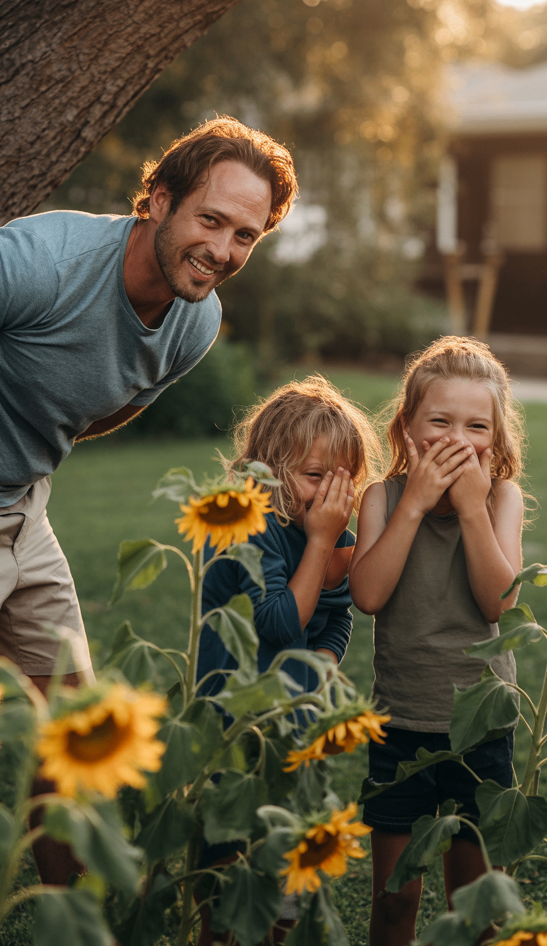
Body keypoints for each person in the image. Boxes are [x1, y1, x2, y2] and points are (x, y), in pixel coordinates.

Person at [0, 116, 297, 886]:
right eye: (210, 219)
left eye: (245, 236)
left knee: (80, 731)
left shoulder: (197, 322)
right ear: (157, 200)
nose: (222, 251)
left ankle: (64, 914)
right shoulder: (39, 264)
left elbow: (114, 401)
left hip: (19, 508)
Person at [348, 336, 525, 946]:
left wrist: (472, 512)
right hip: (401, 725)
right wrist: (416, 506)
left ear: (496, 439)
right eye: (440, 420)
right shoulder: (384, 498)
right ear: (407, 427)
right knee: (396, 898)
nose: (458, 437)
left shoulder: (501, 498)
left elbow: (499, 603)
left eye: (477, 425)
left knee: (475, 906)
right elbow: (368, 594)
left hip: (482, 730)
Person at [195, 375, 382, 945]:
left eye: (343, 481)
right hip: (232, 728)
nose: (330, 495)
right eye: (314, 477)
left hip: (290, 732)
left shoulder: (325, 531)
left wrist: (321, 665)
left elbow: (340, 615)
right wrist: (323, 542)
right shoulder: (243, 525)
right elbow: (278, 621)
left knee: (283, 894)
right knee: (226, 892)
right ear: (268, 470)